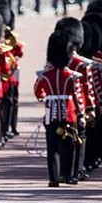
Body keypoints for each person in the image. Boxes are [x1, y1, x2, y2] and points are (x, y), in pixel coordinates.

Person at [34, 32, 83, 187]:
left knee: (52, 147)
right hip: (68, 113)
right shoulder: (72, 76)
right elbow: (77, 96)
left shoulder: (46, 75)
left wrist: (44, 96)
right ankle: (68, 175)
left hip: (51, 114)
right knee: (70, 144)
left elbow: (37, 91)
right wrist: (81, 114)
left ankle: (54, 178)